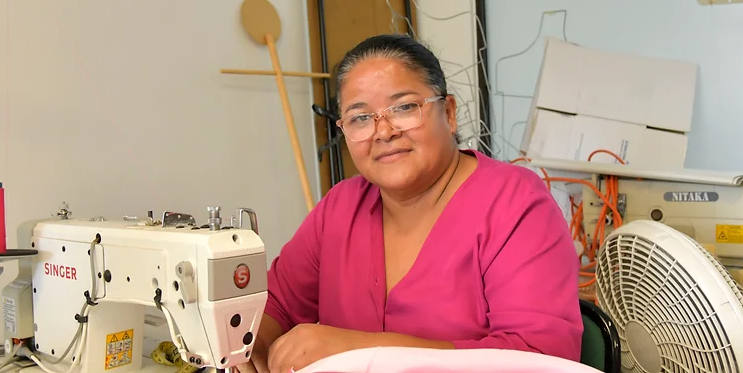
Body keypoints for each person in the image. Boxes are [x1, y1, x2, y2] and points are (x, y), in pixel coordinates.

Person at [239, 34, 583, 373]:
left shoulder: (515, 205)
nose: (383, 132)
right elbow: (276, 306)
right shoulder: (340, 208)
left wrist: (360, 349)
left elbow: (542, 357)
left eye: (404, 107)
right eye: (360, 118)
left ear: (448, 113)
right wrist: (251, 351)